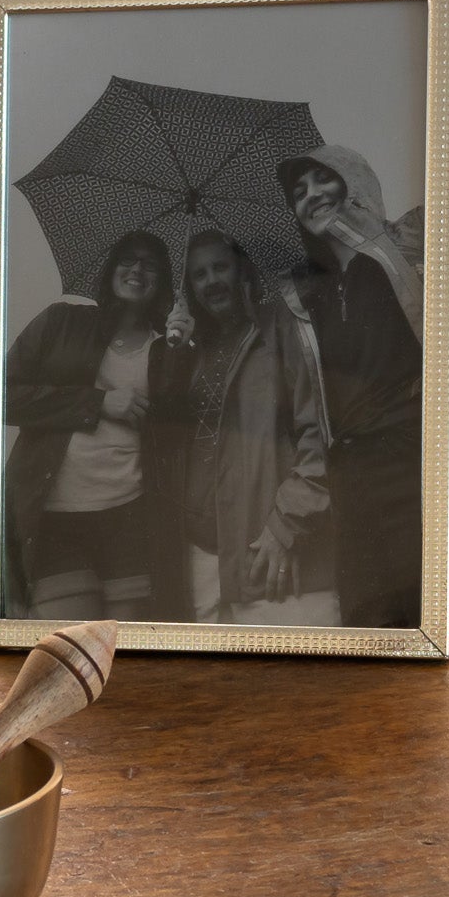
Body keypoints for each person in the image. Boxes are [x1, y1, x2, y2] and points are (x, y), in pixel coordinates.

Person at [273, 144, 424, 629]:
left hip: (412, 462)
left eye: (324, 178)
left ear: (354, 180)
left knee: (422, 614)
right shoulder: (306, 296)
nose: (311, 195)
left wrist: (358, 229)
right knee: (367, 620)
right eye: (299, 192)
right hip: (353, 478)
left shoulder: (412, 246)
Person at [1, 230, 186, 621]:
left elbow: (179, 429)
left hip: (130, 515)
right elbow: (0, 396)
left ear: (164, 281)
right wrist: (98, 402)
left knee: (126, 645)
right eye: (128, 259)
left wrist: (183, 350)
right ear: (111, 268)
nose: (138, 270)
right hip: (56, 516)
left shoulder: (167, 346)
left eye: (151, 264)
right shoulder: (61, 321)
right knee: (74, 640)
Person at [157, 229, 338, 626]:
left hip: (273, 554)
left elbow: (320, 433)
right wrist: (175, 353)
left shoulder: (282, 326)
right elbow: (164, 439)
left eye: (220, 267)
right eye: (199, 274)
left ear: (242, 271)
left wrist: (286, 525)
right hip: (202, 563)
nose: (211, 281)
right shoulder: (193, 349)